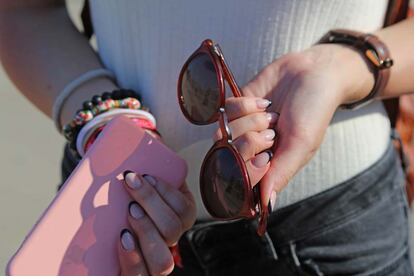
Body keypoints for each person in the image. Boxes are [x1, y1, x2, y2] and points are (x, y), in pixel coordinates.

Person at [1, 0, 413, 275]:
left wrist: (342, 68)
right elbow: (23, 11)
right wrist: (103, 116)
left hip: (329, 238)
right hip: (108, 203)